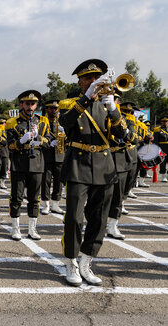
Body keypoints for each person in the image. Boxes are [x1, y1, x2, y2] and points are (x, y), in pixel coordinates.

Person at [59, 58, 128, 286]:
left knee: (98, 219)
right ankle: (71, 262)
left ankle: (87, 262)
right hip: (79, 164)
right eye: (88, 78)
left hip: (104, 164)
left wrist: (113, 109)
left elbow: (123, 135)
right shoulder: (70, 103)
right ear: (80, 82)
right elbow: (66, 123)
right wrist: (87, 96)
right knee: (74, 218)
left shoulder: (109, 103)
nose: (93, 81)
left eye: (96, 77)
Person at [6, 90, 49, 240]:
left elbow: (49, 142)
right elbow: (9, 145)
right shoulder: (12, 122)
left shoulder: (43, 121)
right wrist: (21, 141)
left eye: (33, 104)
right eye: (27, 104)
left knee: (34, 198)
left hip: (37, 163)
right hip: (19, 163)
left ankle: (32, 229)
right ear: (21, 104)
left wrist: (38, 137)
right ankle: (15, 228)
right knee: (16, 197)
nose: (30, 107)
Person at [106, 101, 137, 239]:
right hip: (101, 158)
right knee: (97, 194)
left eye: (115, 100)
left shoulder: (127, 119)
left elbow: (133, 138)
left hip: (120, 158)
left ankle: (113, 225)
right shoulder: (97, 114)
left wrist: (125, 131)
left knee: (118, 195)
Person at [40, 99, 66, 215]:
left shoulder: (61, 122)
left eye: (56, 108)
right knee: (45, 180)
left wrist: (65, 134)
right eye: (51, 108)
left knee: (58, 181)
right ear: (46, 109)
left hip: (60, 155)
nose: (54, 111)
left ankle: (55, 204)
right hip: (47, 155)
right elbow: (39, 136)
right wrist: (50, 142)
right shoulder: (42, 122)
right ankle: (45, 204)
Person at [154, 114, 168, 182]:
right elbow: (156, 141)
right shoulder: (157, 130)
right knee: (163, 163)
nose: (165, 123)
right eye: (164, 121)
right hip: (162, 148)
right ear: (161, 122)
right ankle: (163, 176)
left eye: (166, 121)